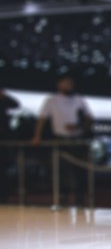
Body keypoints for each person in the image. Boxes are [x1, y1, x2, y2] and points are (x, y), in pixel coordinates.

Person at [31, 75, 94, 206]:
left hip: (77, 140)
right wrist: (37, 136)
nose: (69, 85)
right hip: (60, 140)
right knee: (60, 172)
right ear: (59, 84)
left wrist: (79, 127)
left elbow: (89, 118)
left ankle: (81, 199)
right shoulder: (52, 100)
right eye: (66, 83)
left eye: (71, 83)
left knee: (80, 171)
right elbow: (42, 119)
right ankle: (62, 199)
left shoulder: (78, 99)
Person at [0, 89, 20, 201]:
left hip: (4, 140)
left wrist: (4, 96)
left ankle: (3, 196)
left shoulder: (4, 102)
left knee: (3, 170)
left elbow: (16, 104)